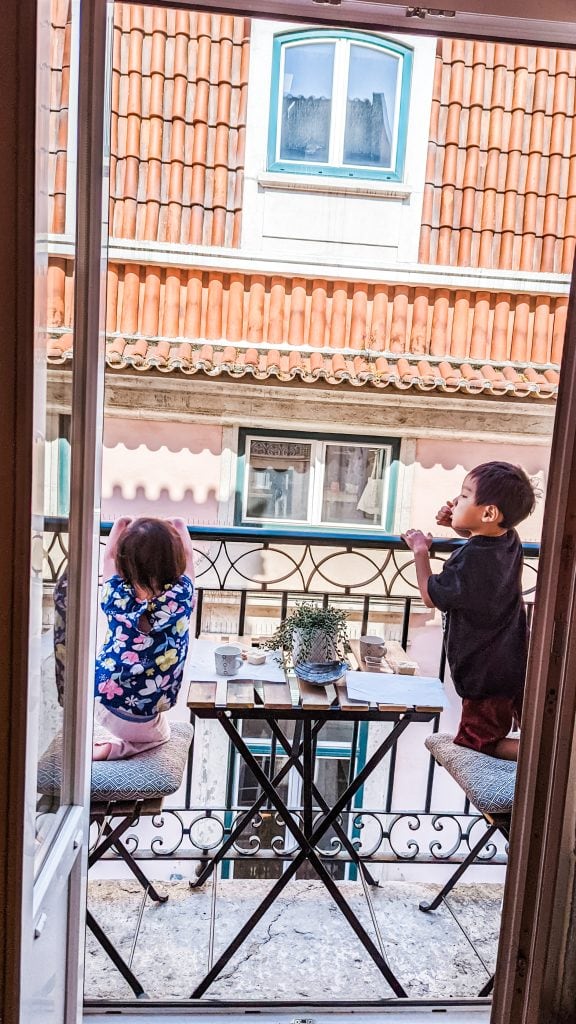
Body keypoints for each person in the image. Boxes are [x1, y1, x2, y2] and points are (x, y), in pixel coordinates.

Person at [401, 462, 536, 761]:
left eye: (463, 496)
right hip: (512, 657)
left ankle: (545, 757)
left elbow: (429, 595)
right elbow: (481, 534)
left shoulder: (470, 562)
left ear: (488, 513)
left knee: (478, 741)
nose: (454, 501)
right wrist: (457, 524)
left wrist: (420, 551)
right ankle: (543, 746)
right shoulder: (509, 539)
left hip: (484, 673)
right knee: (531, 722)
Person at [93, 516, 195, 760]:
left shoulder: (115, 595)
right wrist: (180, 525)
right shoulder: (181, 598)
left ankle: (112, 737)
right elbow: (190, 558)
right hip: (140, 721)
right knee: (163, 735)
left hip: (101, 702)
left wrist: (120, 524)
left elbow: (108, 558)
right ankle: (116, 749)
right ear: (174, 561)